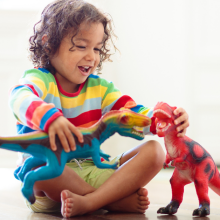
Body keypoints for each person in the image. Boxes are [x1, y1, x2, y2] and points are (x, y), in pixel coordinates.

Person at [9, 0, 189, 217]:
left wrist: (162, 120)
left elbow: (132, 113)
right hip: (52, 182)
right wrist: (50, 118)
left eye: (97, 48)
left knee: (155, 151)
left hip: (95, 169)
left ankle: (91, 201)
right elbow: (19, 98)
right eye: (82, 46)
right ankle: (110, 201)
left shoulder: (100, 88)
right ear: (49, 44)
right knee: (44, 171)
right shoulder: (40, 80)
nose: (92, 57)